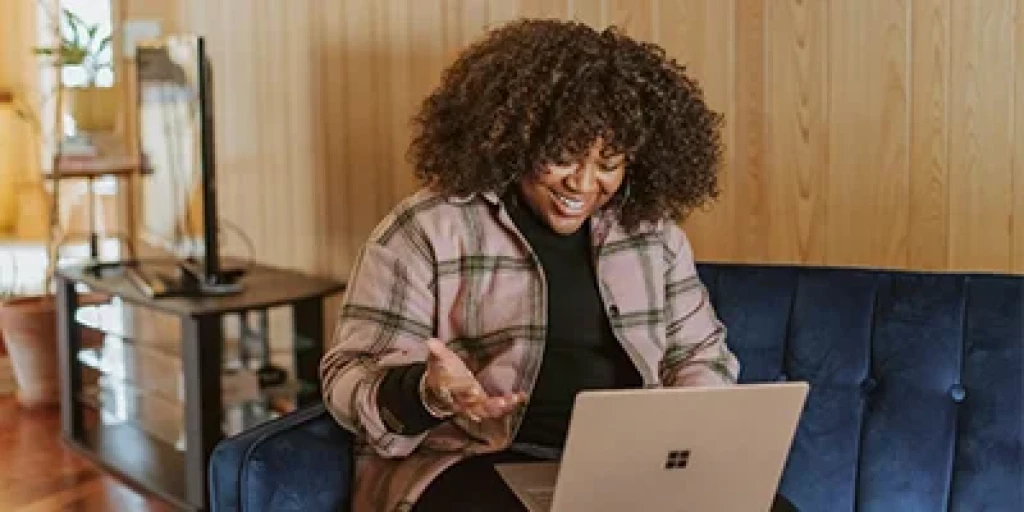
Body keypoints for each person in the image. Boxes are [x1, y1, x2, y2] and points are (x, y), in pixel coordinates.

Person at [320, 18, 794, 512]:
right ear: (516, 140)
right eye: (564, 157)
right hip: (472, 461)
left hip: (627, 467)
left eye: (609, 162)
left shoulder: (653, 237)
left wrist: (687, 423)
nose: (583, 185)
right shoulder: (426, 229)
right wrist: (425, 393)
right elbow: (348, 376)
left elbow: (699, 354)